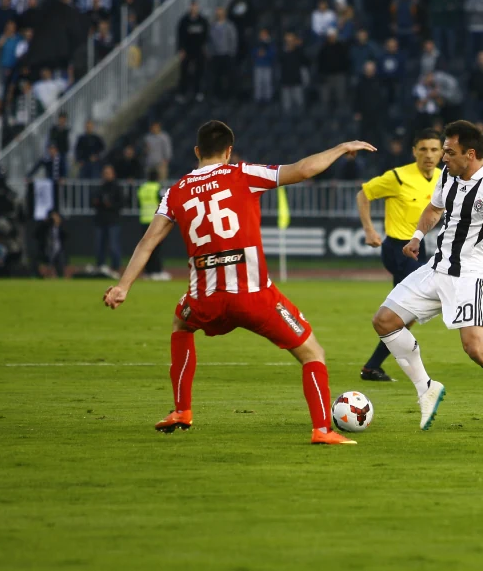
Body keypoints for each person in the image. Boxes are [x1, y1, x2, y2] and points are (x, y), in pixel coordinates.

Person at [103, 120, 376, 445]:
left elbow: (147, 242)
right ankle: (321, 429)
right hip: (254, 297)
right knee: (312, 352)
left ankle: (182, 411)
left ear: (196, 151)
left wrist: (123, 286)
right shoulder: (243, 174)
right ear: (229, 151)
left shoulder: (175, 191)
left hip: (205, 299)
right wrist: (342, 148)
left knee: (181, 322)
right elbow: (303, 170)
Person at [370, 120, 483, 435]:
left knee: (476, 349)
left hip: (471, 277)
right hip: (437, 267)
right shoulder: (448, 176)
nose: (443, 158)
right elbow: (433, 210)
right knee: (384, 320)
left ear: (469, 154)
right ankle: (426, 388)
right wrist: (416, 236)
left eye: (449, 152)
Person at [354, 129, 444, 382]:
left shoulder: (443, 178)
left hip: (418, 247)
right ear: (414, 151)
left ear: (442, 153)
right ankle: (374, 365)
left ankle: (373, 366)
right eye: (423, 149)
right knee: (408, 310)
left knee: (407, 312)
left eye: (434, 149)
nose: (429, 155)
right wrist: (369, 230)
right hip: (397, 248)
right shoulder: (398, 177)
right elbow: (364, 194)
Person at [138, 170, 169, 281]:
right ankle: (157, 271)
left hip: (143, 220)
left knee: (145, 247)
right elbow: (164, 202)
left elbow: (138, 202)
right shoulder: (157, 188)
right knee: (156, 248)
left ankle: (147, 271)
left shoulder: (142, 188)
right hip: (155, 221)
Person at [93, 164, 123, 277]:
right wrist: (97, 202)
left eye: (108, 173)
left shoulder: (116, 187)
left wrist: (111, 205)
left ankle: (116, 268)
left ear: (113, 174)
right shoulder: (100, 187)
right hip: (100, 220)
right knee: (99, 245)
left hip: (113, 220)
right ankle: (100, 267)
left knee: (113, 245)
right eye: (105, 173)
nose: (106, 175)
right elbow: (94, 201)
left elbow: (121, 203)